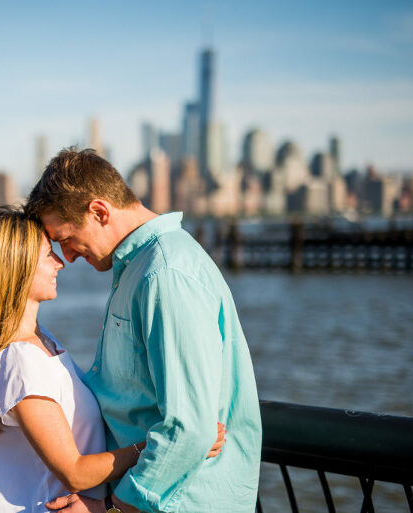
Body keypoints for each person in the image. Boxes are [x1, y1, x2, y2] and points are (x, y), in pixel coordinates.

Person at [0, 206, 225, 512]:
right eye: (48, 254)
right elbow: (74, 472)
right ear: (15, 268)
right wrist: (167, 445)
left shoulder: (43, 341)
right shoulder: (20, 361)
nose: (60, 263)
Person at [25, 148, 262, 513]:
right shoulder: (140, 268)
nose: (67, 256)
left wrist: (110, 510)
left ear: (100, 212)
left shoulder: (164, 274)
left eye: (66, 237)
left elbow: (189, 430)